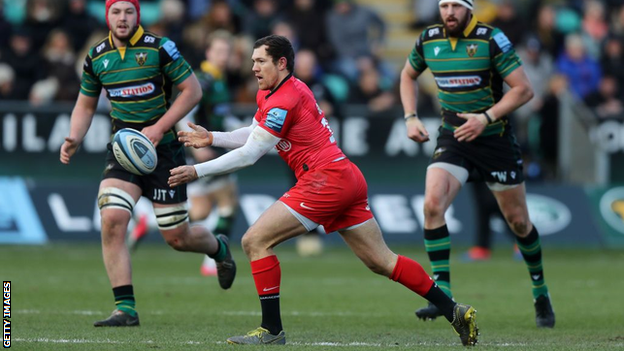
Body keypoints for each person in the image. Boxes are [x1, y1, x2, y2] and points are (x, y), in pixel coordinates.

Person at [168, 34, 478, 346]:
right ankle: (454, 311)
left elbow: (250, 154)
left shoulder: (284, 98)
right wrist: (214, 138)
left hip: (324, 179)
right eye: (252, 61)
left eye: (260, 61)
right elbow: (254, 133)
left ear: (281, 63)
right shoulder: (275, 92)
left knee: (255, 240)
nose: (253, 68)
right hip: (344, 175)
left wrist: (197, 170)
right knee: (381, 261)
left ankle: (271, 330)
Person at [59, 0, 236, 327]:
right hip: (124, 150)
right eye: (116, 12)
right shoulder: (96, 56)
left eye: (128, 12)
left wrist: (157, 128)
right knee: (112, 219)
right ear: (107, 15)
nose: (122, 18)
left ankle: (218, 247)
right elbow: (85, 105)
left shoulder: (160, 48)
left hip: (165, 151)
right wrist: (74, 136)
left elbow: (192, 90)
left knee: (177, 238)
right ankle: (125, 308)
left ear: (137, 15)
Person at [399, 0, 555, 328]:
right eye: (444, 5)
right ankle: (442, 291)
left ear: (470, 8)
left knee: (519, 223)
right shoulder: (428, 39)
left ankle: (540, 291)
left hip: (495, 140)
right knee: (432, 204)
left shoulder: (490, 38)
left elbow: (523, 90)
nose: (449, 12)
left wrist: (486, 117)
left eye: (456, 5)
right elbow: (407, 75)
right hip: (454, 139)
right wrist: (410, 117)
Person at [128, 30, 241, 277]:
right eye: (219, 51)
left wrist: (245, 133)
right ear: (209, 53)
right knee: (229, 204)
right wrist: (194, 143)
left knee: (200, 211)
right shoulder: (205, 80)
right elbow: (185, 112)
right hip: (202, 151)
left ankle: (148, 217)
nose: (224, 56)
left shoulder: (219, 80)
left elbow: (219, 116)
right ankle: (212, 261)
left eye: (227, 52)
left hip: (209, 149)